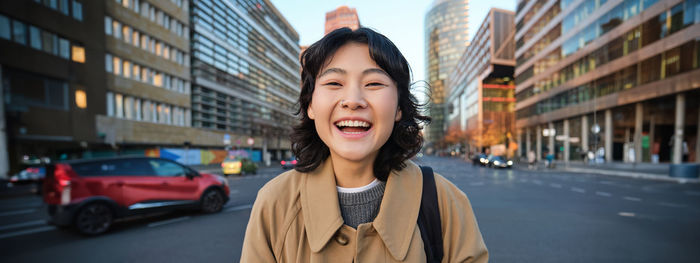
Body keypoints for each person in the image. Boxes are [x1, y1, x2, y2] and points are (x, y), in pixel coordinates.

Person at [240, 28, 488, 262]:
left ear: (399, 107)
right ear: (311, 105)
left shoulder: (445, 201)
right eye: (334, 83)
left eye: (374, 84)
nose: (353, 100)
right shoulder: (274, 202)